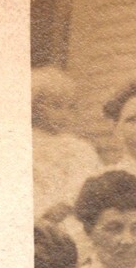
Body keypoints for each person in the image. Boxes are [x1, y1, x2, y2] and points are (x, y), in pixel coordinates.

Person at [32, 67, 102, 230]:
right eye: (56, 106)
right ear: (35, 107)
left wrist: (65, 205)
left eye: (70, 107)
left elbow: (84, 182)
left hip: (68, 220)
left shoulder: (78, 148)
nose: (64, 114)